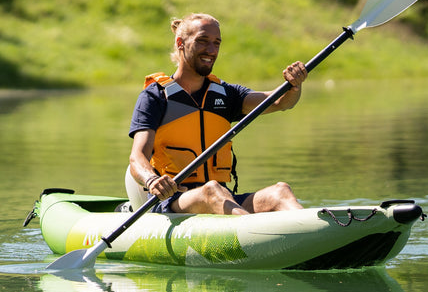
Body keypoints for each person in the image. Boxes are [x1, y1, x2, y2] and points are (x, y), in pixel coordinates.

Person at [126, 13, 306, 215]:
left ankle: (312, 231)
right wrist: (152, 180)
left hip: (223, 197)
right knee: (212, 191)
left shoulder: (226, 94)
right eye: (202, 41)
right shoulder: (155, 96)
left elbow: (279, 102)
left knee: (280, 192)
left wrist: (293, 87)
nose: (211, 50)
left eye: (216, 43)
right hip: (174, 201)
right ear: (180, 43)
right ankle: (253, 233)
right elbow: (137, 158)